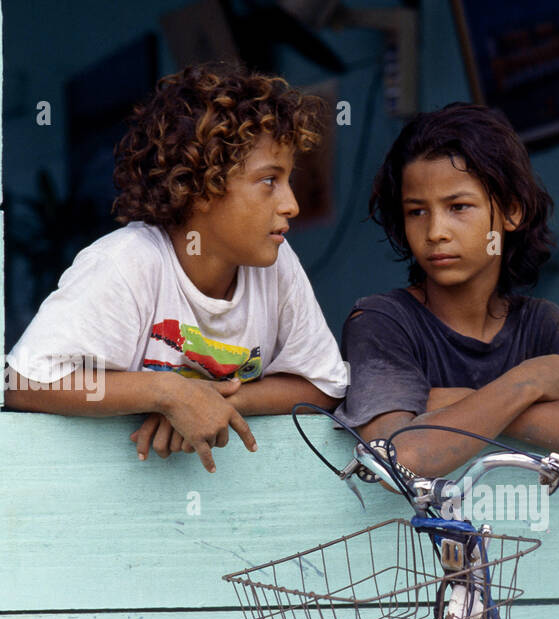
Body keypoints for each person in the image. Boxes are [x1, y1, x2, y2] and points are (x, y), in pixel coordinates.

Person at [4, 64, 348, 473]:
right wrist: (164, 392)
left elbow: (322, 384)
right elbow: (22, 383)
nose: (291, 204)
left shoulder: (276, 265)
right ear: (199, 188)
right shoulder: (129, 262)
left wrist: (212, 401)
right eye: (270, 180)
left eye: (289, 179)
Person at [336, 102, 559, 477]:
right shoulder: (381, 321)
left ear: (512, 211)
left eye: (459, 207)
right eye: (417, 211)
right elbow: (398, 460)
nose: (436, 232)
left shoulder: (540, 324)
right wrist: (523, 385)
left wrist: (457, 406)